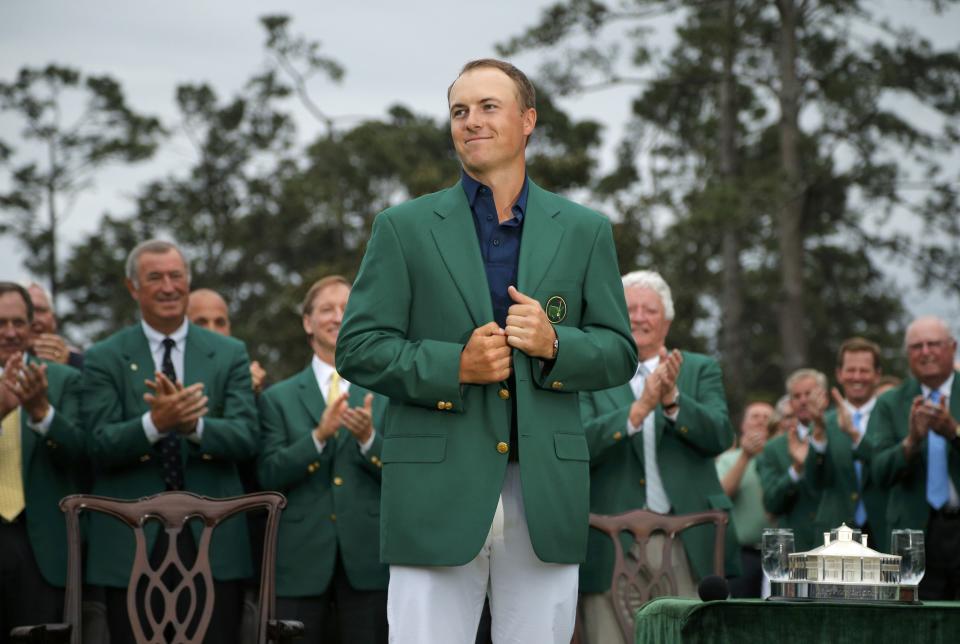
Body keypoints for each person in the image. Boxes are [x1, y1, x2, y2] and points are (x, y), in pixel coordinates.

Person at [335, 59, 636, 644]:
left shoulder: (585, 230)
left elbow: (619, 352)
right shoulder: (403, 227)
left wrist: (554, 346)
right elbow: (359, 348)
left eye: (487, 107)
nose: (470, 120)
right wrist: (456, 366)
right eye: (459, 110)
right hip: (434, 489)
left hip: (545, 490)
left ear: (528, 121)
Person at [81, 239, 258, 642]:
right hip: (132, 543)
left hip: (212, 543)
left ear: (188, 282)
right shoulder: (105, 356)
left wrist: (194, 426)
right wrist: (154, 424)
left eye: (176, 276)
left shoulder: (229, 353)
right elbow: (97, 443)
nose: (168, 286)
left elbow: (248, 436)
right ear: (133, 287)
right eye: (155, 277)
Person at [578, 270, 738, 643]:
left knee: (685, 636)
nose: (638, 317)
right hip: (608, 538)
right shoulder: (590, 370)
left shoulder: (699, 369)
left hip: (686, 537)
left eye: (649, 310)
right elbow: (579, 443)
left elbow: (720, 436)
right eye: (629, 308)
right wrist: (638, 409)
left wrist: (671, 400)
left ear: (666, 321)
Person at [258, 276, 388, 643]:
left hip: (369, 562)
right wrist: (317, 438)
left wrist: (368, 440)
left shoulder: (386, 392)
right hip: (299, 563)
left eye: (346, 309)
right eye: (326, 309)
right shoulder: (277, 398)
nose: (336, 317)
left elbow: (405, 475)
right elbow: (267, 474)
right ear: (307, 322)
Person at [0, 282, 84, 641]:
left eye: (19, 322)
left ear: (34, 326)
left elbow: (84, 454)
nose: (10, 332)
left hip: (42, 548)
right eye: (0, 323)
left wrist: (42, 413)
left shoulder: (64, 380)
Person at [866, 316, 960, 599]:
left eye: (933, 344)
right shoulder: (890, 402)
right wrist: (911, 442)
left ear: (952, 347)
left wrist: (953, 432)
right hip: (914, 535)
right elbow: (879, 472)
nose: (926, 352)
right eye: (917, 346)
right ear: (908, 355)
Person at [807, 338, 888, 550]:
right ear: (839, 374)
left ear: (877, 375)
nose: (857, 377)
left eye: (864, 370)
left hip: (883, 531)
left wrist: (854, 435)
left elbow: (891, 467)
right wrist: (818, 432)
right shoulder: (824, 422)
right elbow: (814, 483)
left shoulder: (891, 417)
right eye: (851, 370)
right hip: (835, 534)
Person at [755, 369, 828, 551]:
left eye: (809, 394)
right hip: (796, 548)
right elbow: (771, 503)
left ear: (823, 395)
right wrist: (796, 469)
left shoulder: (841, 432)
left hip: (839, 543)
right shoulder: (774, 448)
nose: (803, 400)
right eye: (796, 396)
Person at [716, 401, 776, 597]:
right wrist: (745, 456)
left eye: (766, 417)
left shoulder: (782, 457)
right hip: (744, 553)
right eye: (755, 416)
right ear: (743, 425)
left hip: (780, 552)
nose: (761, 421)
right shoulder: (728, 459)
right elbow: (722, 496)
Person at [187, 288, 267, 394]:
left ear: (229, 328)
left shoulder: (247, 378)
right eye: (201, 322)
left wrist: (253, 392)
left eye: (219, 323)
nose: (212, 331)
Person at [25, 282, 84, 370]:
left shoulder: (82, 364)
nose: (34, 319)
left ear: (54, 319)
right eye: (27, 312)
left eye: (40, 310)